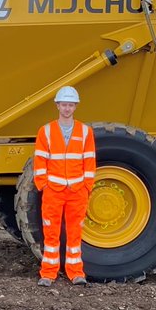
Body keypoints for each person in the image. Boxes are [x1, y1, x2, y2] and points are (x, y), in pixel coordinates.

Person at [33, 85, 96, 286]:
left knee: (75, 233)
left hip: (77, 191)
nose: (67, 108)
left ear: (75, 106)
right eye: (64, 105)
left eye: (70, 105)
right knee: (50, 233)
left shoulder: (86, 132)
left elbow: (89, 161)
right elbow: (40, 160)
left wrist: (87, 186)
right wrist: (43, 185)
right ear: (58, 106)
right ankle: (48, 273)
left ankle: (76, 273)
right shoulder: (46, 131)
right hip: (54, 190)